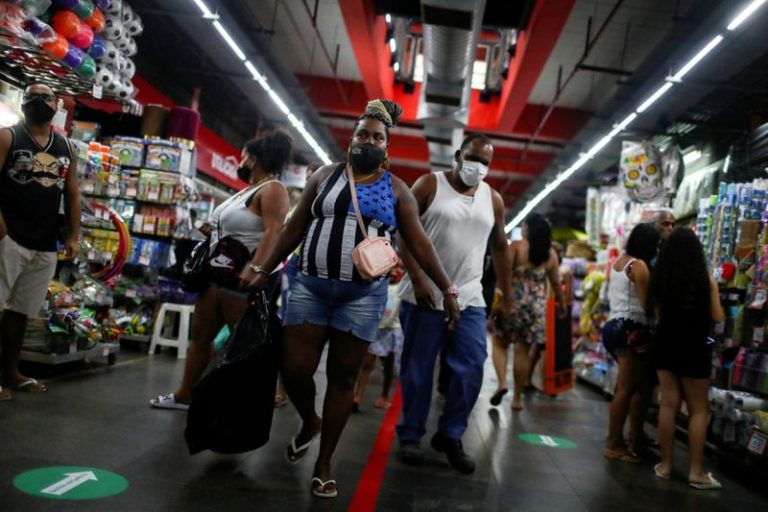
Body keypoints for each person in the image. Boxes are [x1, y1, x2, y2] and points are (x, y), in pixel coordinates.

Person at [246, 99, 460, 499]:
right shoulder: (325, 177)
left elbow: (420, 243)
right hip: (310, 286)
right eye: (362, 134)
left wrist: (446, 287)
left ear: (386, 146)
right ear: (352, 139)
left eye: (377, 137)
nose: (368, 141)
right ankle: (311, 420)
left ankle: (325, 463)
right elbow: (294, 227)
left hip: (362, 296)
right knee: (294, 369)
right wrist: (264, 269)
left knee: (344, 377)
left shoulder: (397, 190)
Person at [395, 133, 513, 474]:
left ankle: (451, 434)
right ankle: (411, 435)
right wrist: (416, 279)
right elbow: (404, 229)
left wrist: (506, 295)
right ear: (459, 155)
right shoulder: (429, 185)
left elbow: (501, 247)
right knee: (419, 367)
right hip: (425, 294)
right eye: (474, 158)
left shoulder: (494, 200)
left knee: (472, 364)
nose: (479, 167)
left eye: (486, 162)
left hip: (470, 297)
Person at [149, 131, 292, 410]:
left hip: (240, 277)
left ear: (255, 159)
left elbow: (273, 231)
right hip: (216, 274)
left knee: (244, 348)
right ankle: (184, 395)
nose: (241, 162)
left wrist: (255, 269)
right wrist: (212, 230)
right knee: (200, 338)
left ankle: (241, 408)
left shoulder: (273, 189)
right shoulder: (247, 191)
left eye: (244, 157)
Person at [0, 84, 80, 400]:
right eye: (31, 96)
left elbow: (73, 194)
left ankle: (10, 371)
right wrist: (2, 228)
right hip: (10, 237)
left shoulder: (66, 147)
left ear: (56, 104)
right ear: (24, 104)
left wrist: (74, 235)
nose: (38, 101)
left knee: (22, 310)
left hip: (45, 242)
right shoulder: (9, 136)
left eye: (44, 96)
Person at [650, 228, 724, 489]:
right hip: (694, 346)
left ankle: (666, 465)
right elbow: (717, 317)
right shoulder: (705, 280)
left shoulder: (660, 277)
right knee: (698, 410)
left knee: (668, 405)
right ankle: (695, 471)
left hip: (665, 343)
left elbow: (658, 315)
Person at [493, 213, 565, 411]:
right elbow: (556, 283)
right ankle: (517, 398)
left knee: (500, 343)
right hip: (535, 309)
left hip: (513, 303)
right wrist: (561, 304)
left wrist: (500, 301)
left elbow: (503, 274)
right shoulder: (550, 255)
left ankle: (502, 383)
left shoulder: (517, 246)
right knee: (523, 350)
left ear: (528, 229)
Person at [601, 223, 659, 462]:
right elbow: (646, 305)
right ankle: (614, 443)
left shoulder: (618, 263)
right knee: (626, 389)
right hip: (632, 329)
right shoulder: (640, 266)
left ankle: (635, 437)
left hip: (613, 326)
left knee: (635, 386)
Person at [352, 262, 405, 411]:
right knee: (367, 363)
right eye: (393, 268)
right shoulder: (381, 284)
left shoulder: (403, 288)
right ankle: (357, 397)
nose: (396, 272)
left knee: (388, 365)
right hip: (376, 329)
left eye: (400, 269)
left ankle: (384, 395)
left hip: (392, 330)